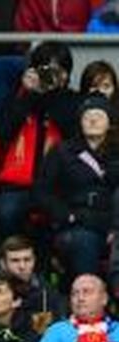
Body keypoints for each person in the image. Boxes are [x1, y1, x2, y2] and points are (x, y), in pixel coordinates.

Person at [0, 41, 81, 241]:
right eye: (45, 70)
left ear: (67, 74)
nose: (51, 76)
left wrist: (54, 93)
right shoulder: (19, 97)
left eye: (58, 71)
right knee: (6, 212)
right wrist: (28, 93)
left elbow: (73, 132)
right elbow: (4, 132)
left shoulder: (73, 101)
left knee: (59, 220)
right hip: (17, 185)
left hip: (58, 186)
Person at [35, 93, 119, 284]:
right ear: (80, 121)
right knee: (83, 242)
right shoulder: (62, 151)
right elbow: (41, 192)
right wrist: (67, 216)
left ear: (109, 122)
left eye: (99, 114)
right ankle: (87, 304)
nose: (93, 119)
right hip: (77, 224)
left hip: (112, 224)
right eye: (87, 115)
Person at [0, 235, 64, 336]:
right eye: (15, 261)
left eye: (27, 260)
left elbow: (52, 331)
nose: (22, 266)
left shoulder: (45, 292)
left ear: (34, 261)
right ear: (3, 264)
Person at [36, 274, 119, 342]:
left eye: (87, 292)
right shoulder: (56, 331)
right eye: (74, 294)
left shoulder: (117, 330)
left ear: (104, 299)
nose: (80, 298)